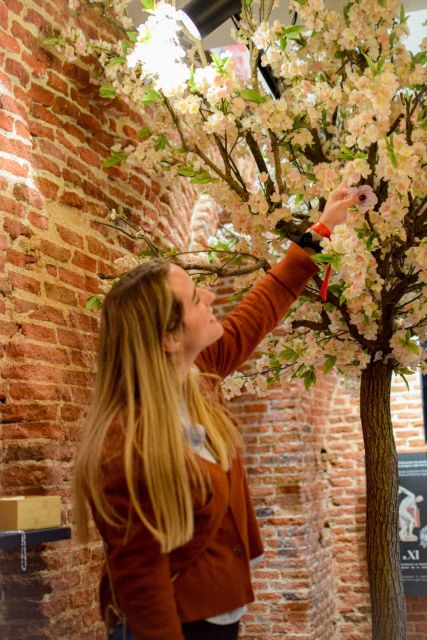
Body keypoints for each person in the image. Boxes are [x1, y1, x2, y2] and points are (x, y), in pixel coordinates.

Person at [74, 184, 363, 640]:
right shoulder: (125, 445)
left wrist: (322, 228)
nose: (209, 295)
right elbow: (142, 585)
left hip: (220, 611)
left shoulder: (199, 374)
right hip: (178, 624)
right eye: (193, 298)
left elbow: (264, 303)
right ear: (169, 338)